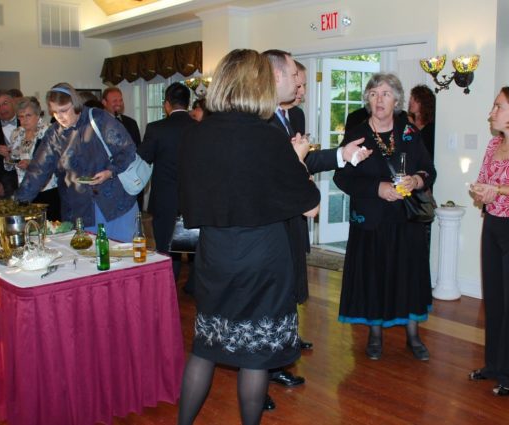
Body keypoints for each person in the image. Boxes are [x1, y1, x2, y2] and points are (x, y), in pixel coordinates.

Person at [177, 48, 321, 425]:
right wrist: (299, 159)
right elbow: (310, 204)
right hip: (262, 257)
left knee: (206, 348)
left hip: (215, 254)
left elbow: (190, 205)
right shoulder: (268, 137)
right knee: (255, 358)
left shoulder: (196, 135)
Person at [263, 49, 369, 398]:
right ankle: (272, 364)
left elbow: (303, 163)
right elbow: (281, 169)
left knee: (292, 278)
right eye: (298, 80)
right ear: (279, 77)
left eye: (305, 83)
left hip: (293, 216)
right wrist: (300, 168)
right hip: (271, 219)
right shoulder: (261, 121)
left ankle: (287, 339)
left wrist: (342, 155)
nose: (302, 89)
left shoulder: (296, 117)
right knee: (273, 291)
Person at [333, 72, 436, 362]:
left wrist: (416, 181)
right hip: (371, 220)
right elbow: (342, 178)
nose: (380, 99)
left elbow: (429, 169)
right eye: (375, 93)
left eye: (386, 94)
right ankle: (375, 335)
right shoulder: (356, 134)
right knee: (374, 276)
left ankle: (413, 335)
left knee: (409, 276)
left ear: (397, 101)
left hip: (406, 220)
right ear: (367, 98)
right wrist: (377, 188)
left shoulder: (409, 133)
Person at [14, 82, 139, 242]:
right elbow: (38, 170)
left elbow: (127, 150)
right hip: (80, 209)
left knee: (123, 256)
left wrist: (110, 171)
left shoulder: (99, 119)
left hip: (115, 203)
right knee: (90, 259)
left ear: (76, 104)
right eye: (55, 112)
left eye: (64, 110)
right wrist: (18, 204)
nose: (60, 117)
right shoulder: (54, 134)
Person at [469, 85, 509, 396]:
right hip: (492, 224)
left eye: (498, 107)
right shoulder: (494, 144)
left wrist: (501, 191)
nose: (492, 112)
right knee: (493, 300)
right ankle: (494, 364)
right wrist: (480, 191)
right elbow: (485, 180)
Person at [138, 82, 196, 279]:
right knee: (196, 246)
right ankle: (193, 285)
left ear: (167, 104)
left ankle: (169, 285)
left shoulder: (156, 129)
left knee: (165, 247)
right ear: (188, 103)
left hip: (165, 199)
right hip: (193, 198)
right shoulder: (200, 128)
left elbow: (143, 157)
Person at [5, 97, 60, 220]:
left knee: (49, 227)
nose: (24, 120)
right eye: (20, 116)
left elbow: (57, 160)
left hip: (46, 188)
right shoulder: (16, 133)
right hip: (23, 188)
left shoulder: (49, 131)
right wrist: (8, 157)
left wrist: (32, 164)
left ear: (38, 114)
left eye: (28, 115)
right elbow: (11, 163)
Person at [102, 87, 144, 210]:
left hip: (131, 178)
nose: (119, 104)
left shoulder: (131, 123)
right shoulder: (99, 124)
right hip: (109, 180)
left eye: (120, 100)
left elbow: (138, 150)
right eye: (114, 101)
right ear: (104, 102)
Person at [408, 84, 436, 161]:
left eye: (416, 100)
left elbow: (426, 149)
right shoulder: (405, 120)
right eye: (411, 98)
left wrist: (413, 126)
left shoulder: (431, 127)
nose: (411, 102)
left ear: (424, 103)